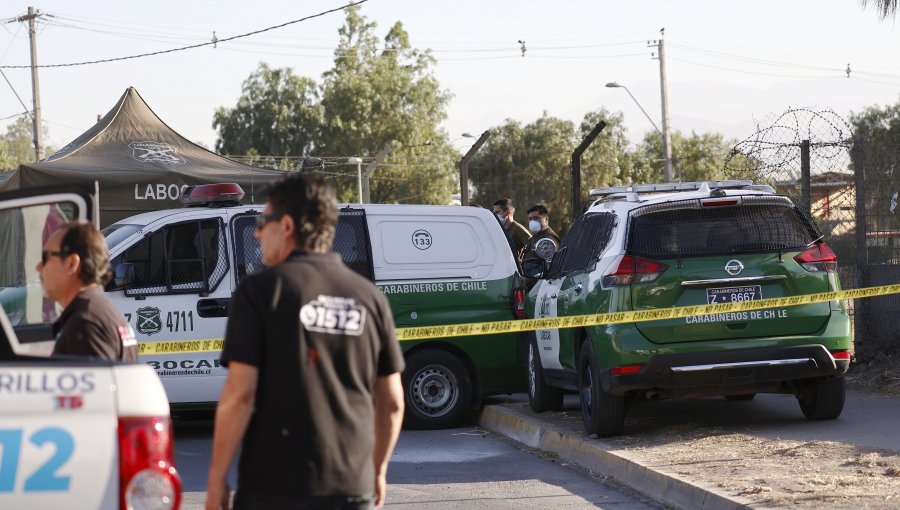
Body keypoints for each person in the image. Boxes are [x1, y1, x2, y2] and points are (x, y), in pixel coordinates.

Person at [206, 174, 405, 510]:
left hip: (275, 490)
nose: (256, 232)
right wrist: (378, 470)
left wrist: (216, 478)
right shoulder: (369, 297)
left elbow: (240, 394)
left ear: (285, 225)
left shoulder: (260, 291)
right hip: (351, 489)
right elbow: (392, 403)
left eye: (261, 221)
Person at [37, 220, 138, 361]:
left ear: (72, 263)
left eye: (45, 258)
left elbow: (100, 383)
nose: (39, 267)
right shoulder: (99, 313)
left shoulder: (85, 325)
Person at [492, 198, 531, 262]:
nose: (495, 216)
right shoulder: (497, 230)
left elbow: (532, 248)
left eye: (497, 212)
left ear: (507, 213)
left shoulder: (518, 229)